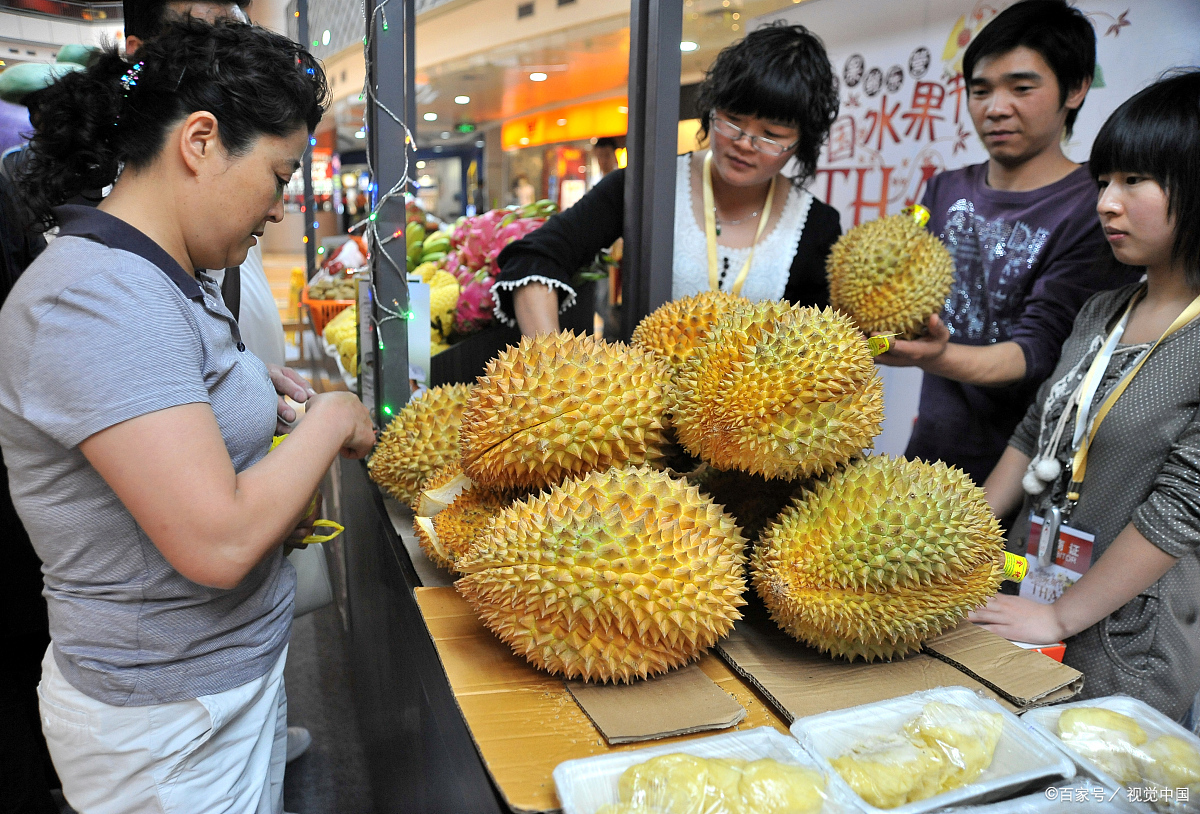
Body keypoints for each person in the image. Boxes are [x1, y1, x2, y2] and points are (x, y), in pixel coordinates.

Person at [0, 19, 374, 813]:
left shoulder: (166, 274)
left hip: (216, 681)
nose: (279, 209)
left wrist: (247, 391)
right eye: (277, 176)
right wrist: (333, 418)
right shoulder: (98, 297)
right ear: (200, 142)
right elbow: (218, 542)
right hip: (165, 720)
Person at [970, 70, 1200, 725]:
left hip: (1123, 638)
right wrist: (959, 539)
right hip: (1025, 588)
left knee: (1101, 770)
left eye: (1134, 180)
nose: (1105, 203)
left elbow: (1182, 511)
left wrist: (1061, 617)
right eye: (1103, 181)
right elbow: (1036, 430)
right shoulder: (1103, 310)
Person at [874, 0, 1140, 488]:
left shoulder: (1097, 206)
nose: (995, 108)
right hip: (927, 457)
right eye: (980, 90)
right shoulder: (943, 189)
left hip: (1028, 475)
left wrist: (932, 356)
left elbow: (1040, 352)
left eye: (1021, 88)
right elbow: (901, 294)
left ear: (1076, 89)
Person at [495, 22, 842, 336]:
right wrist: (553, 362)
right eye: (732, 120)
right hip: (641, 386)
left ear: (803, 140)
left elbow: (821, 343)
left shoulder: (817, 226)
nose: (744, 143)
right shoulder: (645, 187)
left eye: (771, 135)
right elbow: (536, 256)